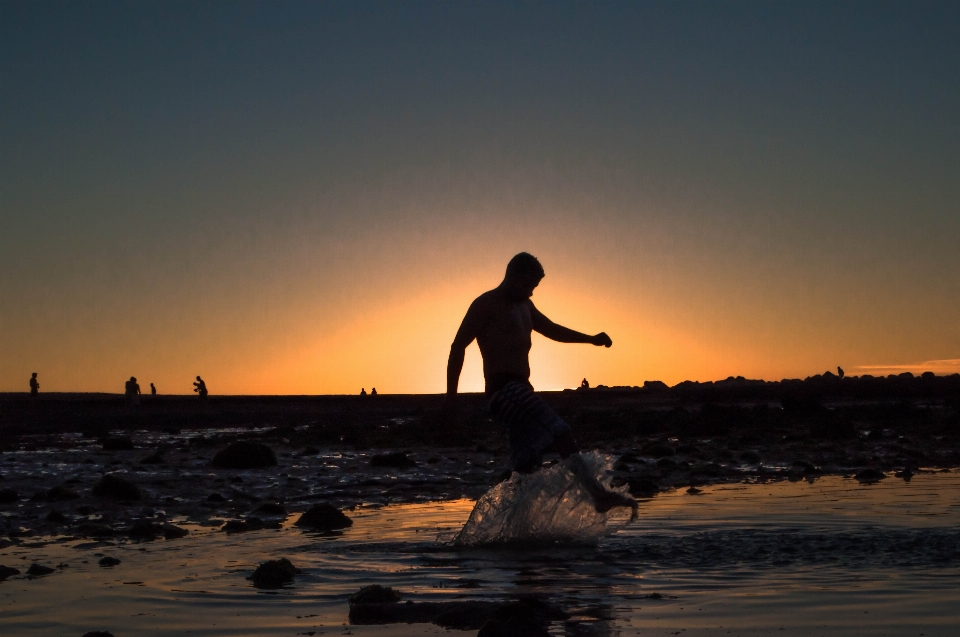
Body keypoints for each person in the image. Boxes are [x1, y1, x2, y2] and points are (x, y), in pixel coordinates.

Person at [445, 252, 634, 513]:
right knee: (559, 430)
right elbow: (457, 347)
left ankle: (510, 533)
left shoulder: (525, 306)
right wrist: (450, 401)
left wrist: (590, 338)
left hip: (522, 389)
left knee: (527, 468)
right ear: (514, 276)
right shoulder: (485, 304)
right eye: (529, 285)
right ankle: (596, 495)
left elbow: (553, 329)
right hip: (503, 391)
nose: (532, 293)